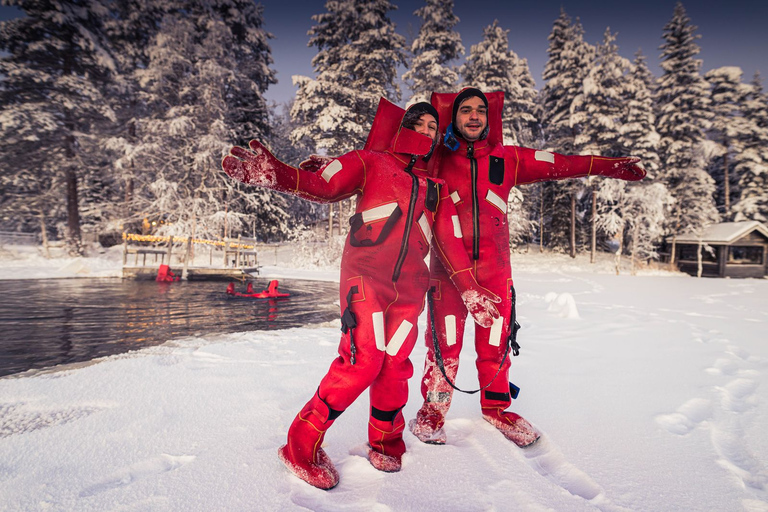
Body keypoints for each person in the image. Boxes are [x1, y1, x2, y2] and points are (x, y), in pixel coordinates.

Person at [221, 100, 501, 489]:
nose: (425, 129)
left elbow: (452, 243)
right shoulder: (369, 160)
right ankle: (299, 445)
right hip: (365, 279)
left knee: (395, 365)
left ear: (439, 136)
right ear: (402, 127)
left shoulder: (438, 188)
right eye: (417, 123)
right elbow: (324, 185)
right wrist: (279, 175)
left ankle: (386, 442)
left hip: (409, 292)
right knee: (361, 361)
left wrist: (471, 290)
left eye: (432, 126)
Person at [409, 88, 646, 447]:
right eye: (466, 110)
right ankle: (433, 411)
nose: (474, 116)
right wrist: (336, 169)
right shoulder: (436, 158)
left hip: (494, 274)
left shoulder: (509, 158)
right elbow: (391, 160)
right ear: (453, 119)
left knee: (496, 346)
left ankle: (497, 408)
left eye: (480, 111)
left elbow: (562, 162)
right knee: (444, 348)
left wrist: (608, 165)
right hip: (446, 276)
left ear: (489, 118)